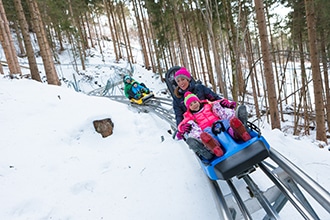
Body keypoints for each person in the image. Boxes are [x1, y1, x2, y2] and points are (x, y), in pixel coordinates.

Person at [176, 91, 251, 159]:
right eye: (191, 105)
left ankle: (239, 132)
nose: (194, 105)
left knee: (225, 120)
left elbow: (218, 102)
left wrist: (226, 103)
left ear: (198, 101)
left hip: (219, 123)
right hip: (208, 130)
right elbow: (182, 123)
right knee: (196, 128)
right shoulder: (190, 116)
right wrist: (181, 130)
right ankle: (214, 147)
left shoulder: (208, 105)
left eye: (195, 102)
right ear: (189, 107)